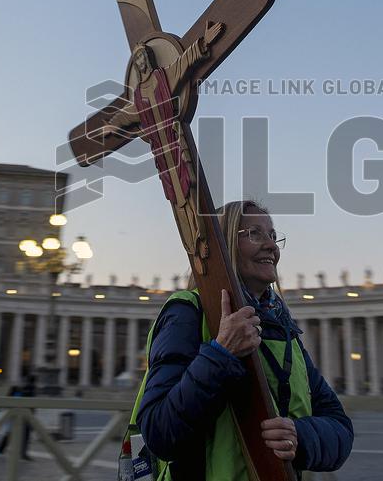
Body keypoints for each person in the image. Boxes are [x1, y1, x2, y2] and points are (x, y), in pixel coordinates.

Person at [134, 200, 354, 480]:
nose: (271, 246)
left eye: (273, 236)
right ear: (223, 245)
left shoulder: (284, 330)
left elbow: (341, 428)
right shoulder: (187, 313)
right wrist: (221, 353)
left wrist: (301, 435)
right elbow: (159, 433)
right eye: (255, 234)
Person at [0, 375, 36, 459]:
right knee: (22, 434)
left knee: (12, 433)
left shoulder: (19, 389)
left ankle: (1, 449)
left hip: (15, 414)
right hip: (22, 414)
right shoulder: (28, 389)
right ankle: (22, 453)